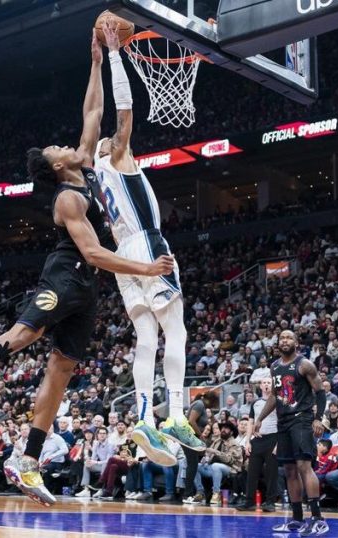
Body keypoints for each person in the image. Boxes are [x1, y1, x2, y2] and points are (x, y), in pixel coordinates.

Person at [0, 35, 174, 507]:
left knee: (62, 368)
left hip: (85, 289)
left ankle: (26, 461)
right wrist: (146, 267)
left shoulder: (86, 166)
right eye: (55, 148)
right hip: (66, 274)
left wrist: (94, 62)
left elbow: (92, 114)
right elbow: (93, 254)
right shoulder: (68, 197)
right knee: (22, 337)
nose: (61, 144)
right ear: (55, 167)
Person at [94, 20, 203, 465]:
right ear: (110, 150)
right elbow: (124, 110)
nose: (116, 141)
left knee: (144, 337)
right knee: (175, 330)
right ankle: (176, 414)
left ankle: (142, 416)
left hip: (122, 259)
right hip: (146, 246)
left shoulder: (96, 178)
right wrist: (116, 55)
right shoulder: (116, 157)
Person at [254, 330, 329, 535]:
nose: (284, 340)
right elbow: (275, 397)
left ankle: (317, 518)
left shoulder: (304, 364)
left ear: (296, 342)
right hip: (283, 421)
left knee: (304, 465)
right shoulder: (275, 366)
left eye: (288, 338)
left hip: (302, 419)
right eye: (282, 338)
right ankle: (296, 519)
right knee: (289, 470)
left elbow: (320, 392)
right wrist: (260, 418)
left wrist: (318, 418)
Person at [237, 378, 279, 511]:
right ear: (260, 386)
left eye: (269, 382)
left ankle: (270, 502)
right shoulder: (255, 403)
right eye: (264, 382)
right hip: (258, 439)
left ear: (273, 385)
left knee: (271, 472)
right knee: (251, 472)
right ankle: (249, 501)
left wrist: (279, 443)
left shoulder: (278, 401)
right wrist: (248, 441)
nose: (266, 384)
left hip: (273, 438)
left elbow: (283, 423)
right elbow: (250, 422)